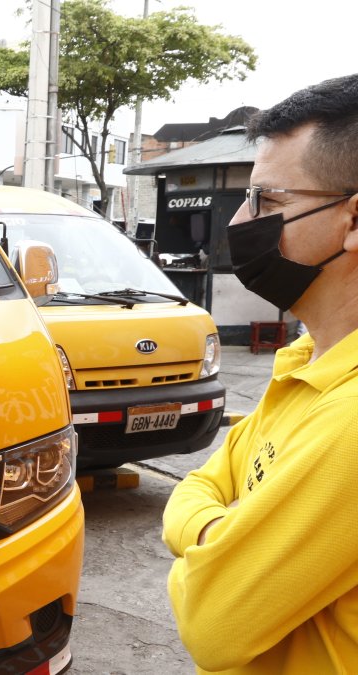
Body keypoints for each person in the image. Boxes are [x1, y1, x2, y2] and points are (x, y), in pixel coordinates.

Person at [162, 74, 358, 674]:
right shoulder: (305, 362)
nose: (242, 221)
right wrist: (215, 537)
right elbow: (193, 489)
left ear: (352, 223)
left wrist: (211, 544)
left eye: (268, 203)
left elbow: (212, 625)